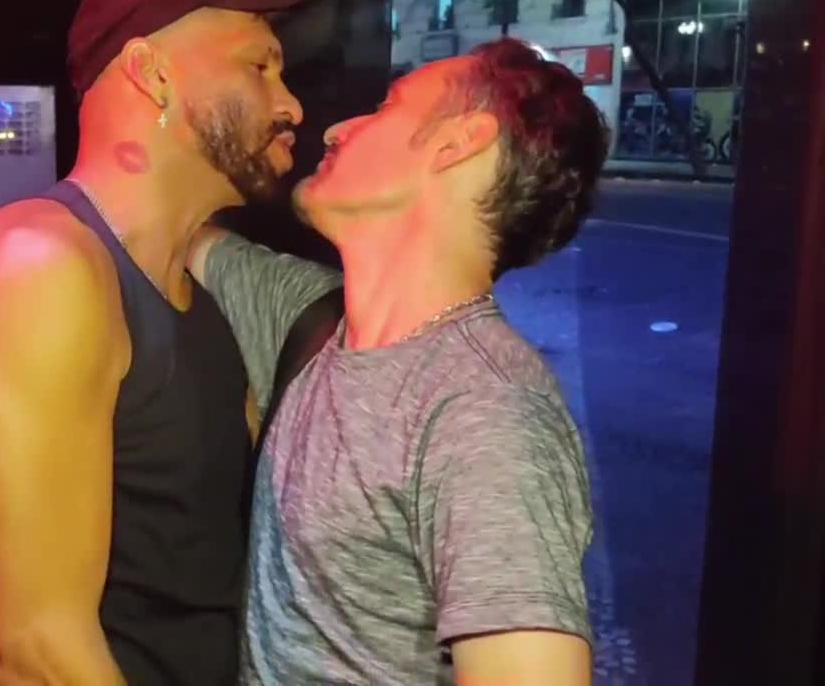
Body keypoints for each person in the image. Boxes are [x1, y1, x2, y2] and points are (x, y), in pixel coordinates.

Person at [0, 0, 329, 683]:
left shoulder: (195, 302)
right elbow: (39, 655)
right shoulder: (41, 266)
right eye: (259, 66)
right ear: (151, 74)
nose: (292, 106)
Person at [188, 39, 607, 685]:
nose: (338, 128)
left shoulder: (486, 414)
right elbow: (166, 227)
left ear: (458, 142)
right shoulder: (310, 320)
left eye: (387, 108)